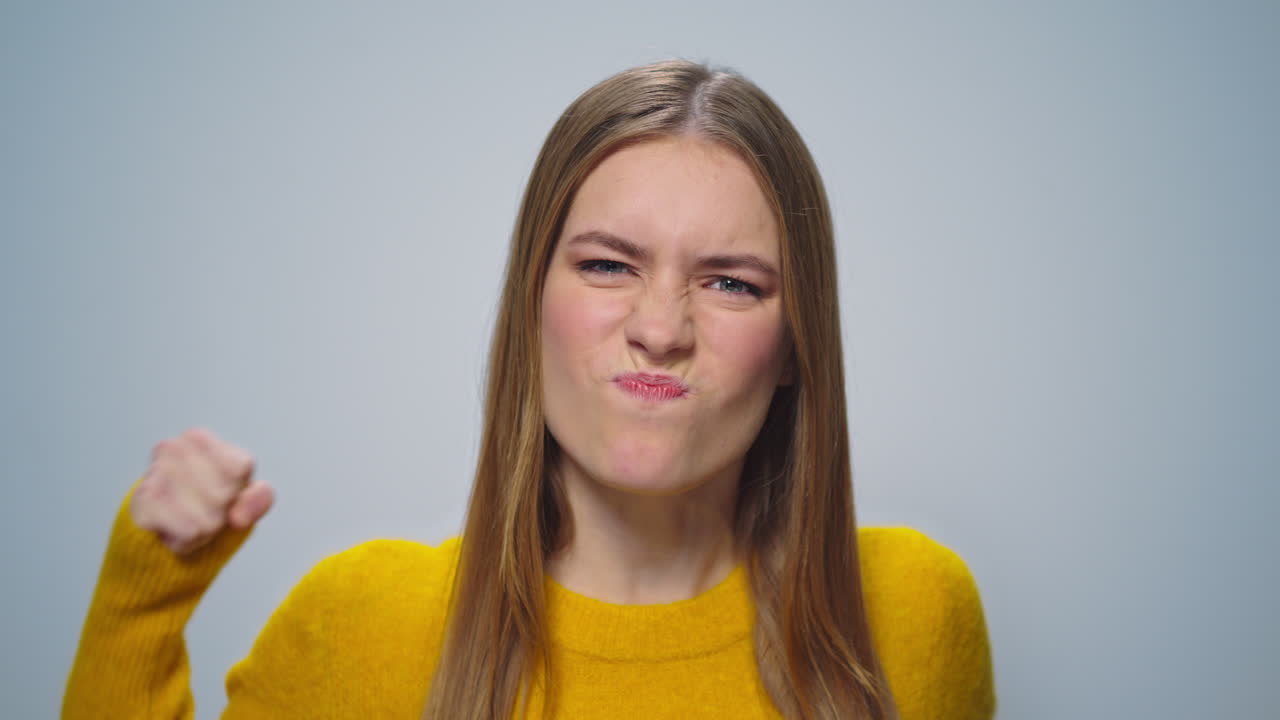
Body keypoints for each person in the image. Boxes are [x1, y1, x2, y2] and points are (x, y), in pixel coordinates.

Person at [63, 59, 995, 719]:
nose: (661, 329)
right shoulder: (359, 628)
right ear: (529, 306)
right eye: (606, 266)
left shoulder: (914, 615)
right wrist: (143, 597)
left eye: (730, 283)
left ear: (796, 345)